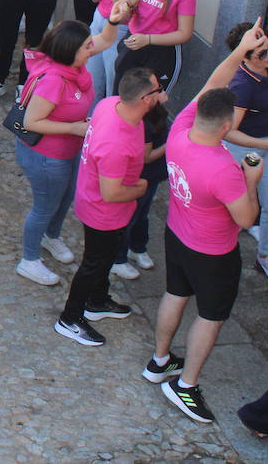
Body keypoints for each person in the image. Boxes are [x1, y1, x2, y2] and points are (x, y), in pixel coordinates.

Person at [144, 22, 268, 424]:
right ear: (228, 126)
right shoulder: (223, 169)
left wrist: (238, 52)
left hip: (177, 235)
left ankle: (159, 360)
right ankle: (186, 386)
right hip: (213, 252)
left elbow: (213, 83)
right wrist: (252, 180)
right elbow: (247, 218)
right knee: (211, 317)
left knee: (174, 293)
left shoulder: (181, 128)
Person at [54, 67, 165, 347]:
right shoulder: (115, 143)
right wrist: (140, 188)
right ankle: (70, 317)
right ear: (145, 99)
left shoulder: (108, 104)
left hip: (104, 207)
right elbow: (112, 192)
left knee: (105, 258)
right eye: (157, 91)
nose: (162, 95)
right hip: (103, 212)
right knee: (93, 264)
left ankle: (98, 300)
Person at [13, 17, 127, 286]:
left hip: (69, 149)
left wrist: (114, 19)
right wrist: (75, 128)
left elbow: (108, 38)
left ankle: (50, 237)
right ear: (71, 50)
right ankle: (28, 260)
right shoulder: (53, 80)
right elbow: (32, 122)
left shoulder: (75, 63)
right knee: (44, 205)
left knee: (65, 198)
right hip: (46, 156)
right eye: (87, 46)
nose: (93, 49)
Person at [222, 21, 268, 285]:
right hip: (247, 149)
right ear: (244, 56)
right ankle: (221, 252)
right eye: (262, 53)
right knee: (235, 205)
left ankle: (266, 256)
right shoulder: (242, 85)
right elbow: (229, 132)